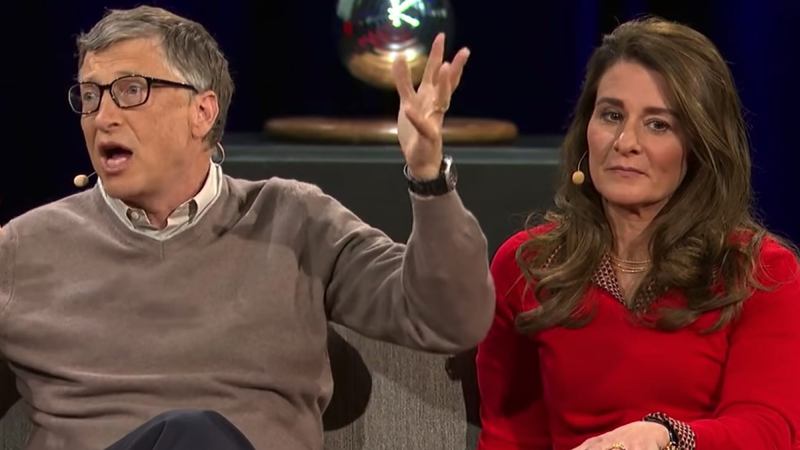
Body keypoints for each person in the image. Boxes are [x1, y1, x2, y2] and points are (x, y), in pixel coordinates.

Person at [0, 5, 495, 450]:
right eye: (90, 96)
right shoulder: (24, 249)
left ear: (202, 112)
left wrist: (429, 178)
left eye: (131, 91)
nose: (103, 117)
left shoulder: (295, 220)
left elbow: (450, 319)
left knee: (197, 435)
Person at [476, 17, 800, 450]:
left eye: (658, 124)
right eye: (612, 115)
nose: (625, 141)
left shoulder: (760, 272)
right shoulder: (530, 265)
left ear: (699, 146)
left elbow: (769, 429)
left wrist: (664, 437)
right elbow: (509, 435)